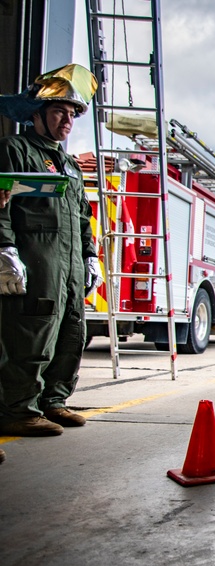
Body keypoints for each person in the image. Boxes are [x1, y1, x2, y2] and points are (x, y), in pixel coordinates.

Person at [0, 64, 101, 441]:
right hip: (37, 260)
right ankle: (18, 410)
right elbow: (1, 205)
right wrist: (5, 248)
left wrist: (90, 256)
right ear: (37, 114)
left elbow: (83, 217)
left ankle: (51, 400)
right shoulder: (16, 150)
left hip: (70, 264)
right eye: (60, 111)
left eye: (73, 113)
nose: (68, 120)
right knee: (30, 333)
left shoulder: (70, 165)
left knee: (71, 331)